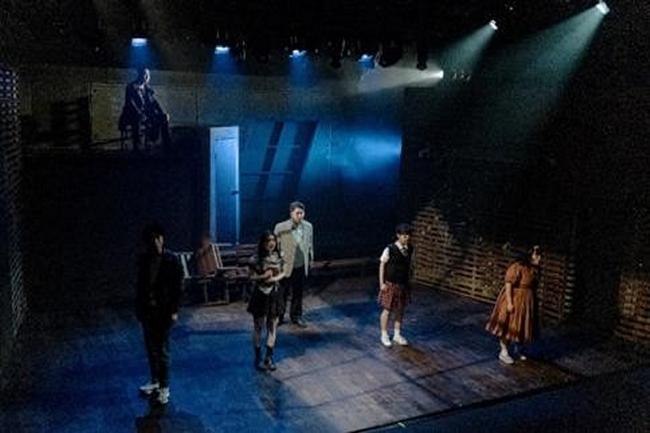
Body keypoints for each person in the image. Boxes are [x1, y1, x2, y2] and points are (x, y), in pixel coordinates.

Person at [135, 223, 183, 404]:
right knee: (150, 348)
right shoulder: (144, 259)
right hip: (148, 310)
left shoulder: (171, 260)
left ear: (162, 239)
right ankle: (155, 381)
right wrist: (139, 308)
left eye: (158, 238)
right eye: (152, 239)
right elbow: (140, 286)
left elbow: (178, 287)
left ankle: (164, 387)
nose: (155, 242)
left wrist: (174, 310)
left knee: (162, 349)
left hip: (163, 311)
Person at [485, 245, 542, 364]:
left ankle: (518, 348)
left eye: (539, 254)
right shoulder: (517, 267)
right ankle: (504, 351)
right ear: (529, 255)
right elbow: (509, 284)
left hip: (527, 300)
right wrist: (510, 302)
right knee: (510, 324)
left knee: (522, 324)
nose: (539, 257)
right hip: (516, 298)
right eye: (536, 254)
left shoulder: (534, 269)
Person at [247, 231, 285, 371]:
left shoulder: (279, 257)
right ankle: (258, 357)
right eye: (268, 240)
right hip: (260, 294)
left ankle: (269, 358)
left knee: (272, 326)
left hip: (274, 293)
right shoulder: (255, 259)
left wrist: (274, 278)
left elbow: (284, 272)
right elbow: (250, 277)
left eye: (273, 240)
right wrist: (263, 276)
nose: (271, 243)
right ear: (263, 243)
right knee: (258, 326)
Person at [274, 201, 314, 328]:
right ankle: (279, 316)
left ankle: (296, 316)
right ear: (291, 213)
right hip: (286, 265)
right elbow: (275, 246)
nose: (300, 216)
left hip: (301, 265)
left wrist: (311, 260)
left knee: (298, 293)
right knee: (282, 293)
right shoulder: (281, 227)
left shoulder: (308, 226)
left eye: (302, 213)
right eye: (297, 213)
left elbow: (310, 244)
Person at [119, 66, 171, 151]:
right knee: (137, 118)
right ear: (139, 75)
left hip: (145, 114)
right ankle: (137, 146)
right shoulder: (131, 87)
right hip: (130, 115)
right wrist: (139, 113)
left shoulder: (147, 89)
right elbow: (130, 103)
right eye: (145, 74)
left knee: (164, 117)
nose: (147, 77)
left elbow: (155, 102)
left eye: (148, 75)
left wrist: (163, 113)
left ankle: (167, 145)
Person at [378, 223, 413, 347]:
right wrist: (382, 283)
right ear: (398, 235)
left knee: (400, 309)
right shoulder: (390, 248)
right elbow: (382, 265)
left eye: (408, 235)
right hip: (390, 283)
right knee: (387, 309)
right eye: (404, 235)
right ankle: (384, 334)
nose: (406, 237)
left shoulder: (410, 249)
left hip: (402, 284)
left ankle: (397, 334)